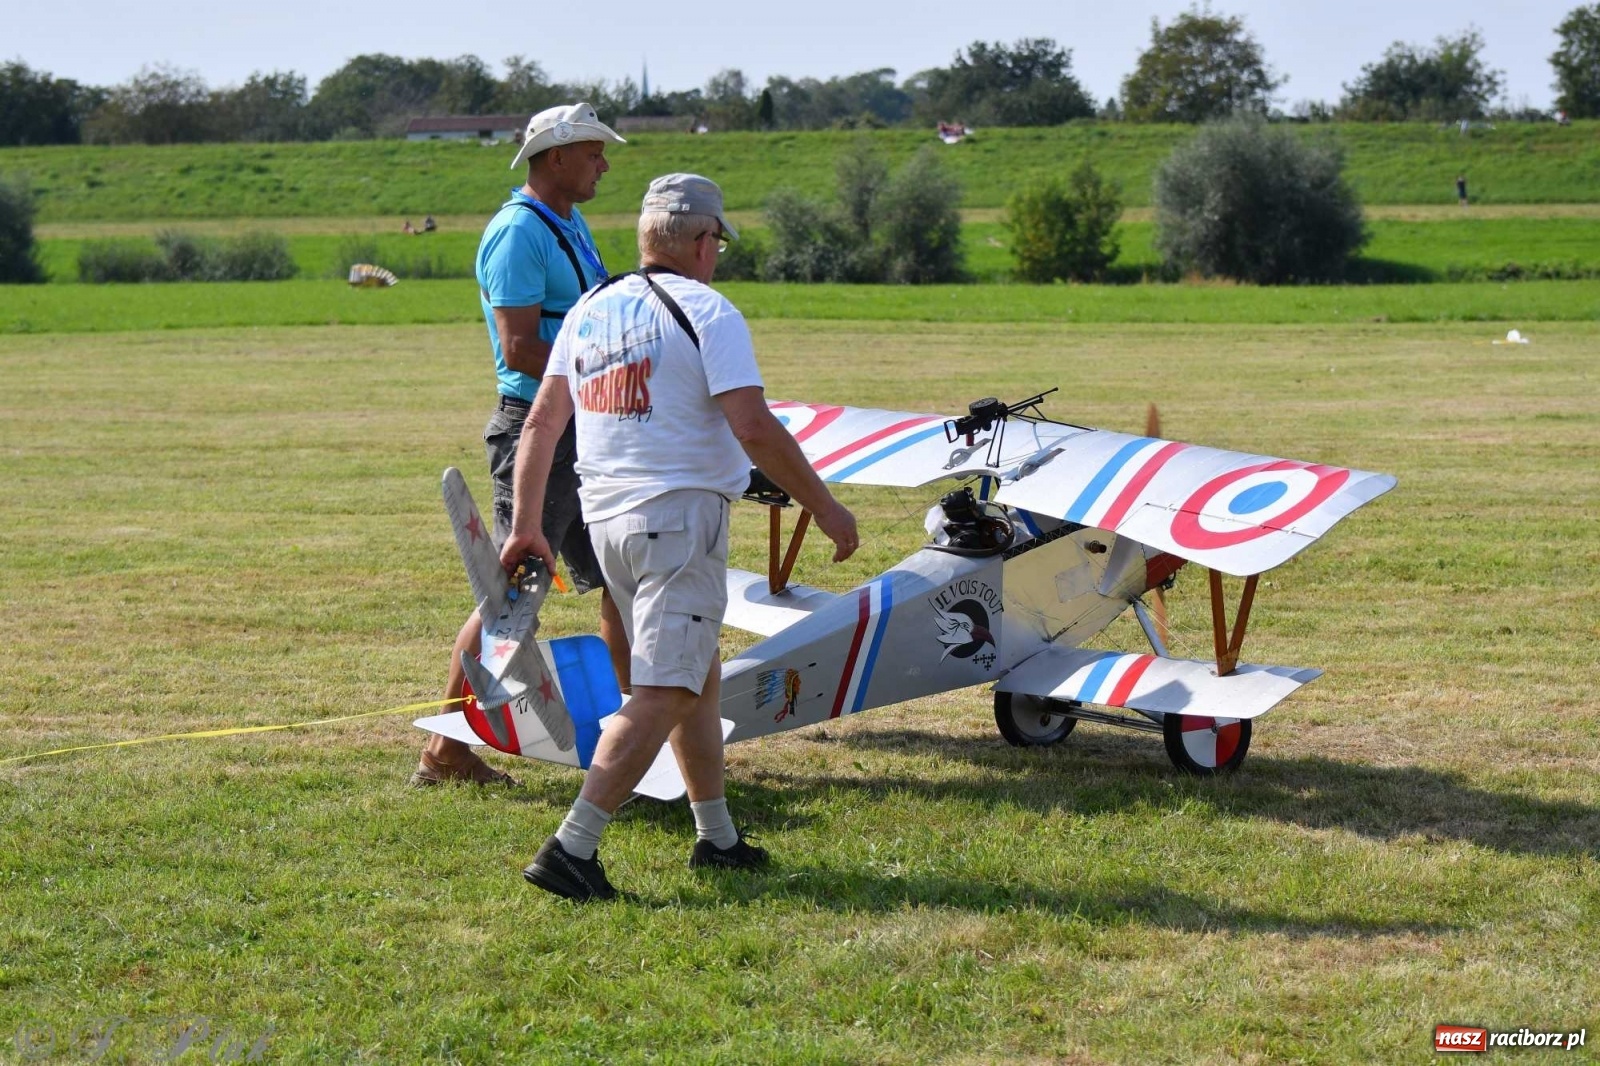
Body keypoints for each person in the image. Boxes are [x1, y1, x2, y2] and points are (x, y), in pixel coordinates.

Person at [502, 173, 859, 900]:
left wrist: (527, 526)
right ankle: (573, 847)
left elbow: (540, 423)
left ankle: (717, 837)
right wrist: (824, 507)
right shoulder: (708, 310)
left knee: (696, 677)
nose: (716, 255)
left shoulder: (591, 307)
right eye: (717, 243)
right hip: (678, 522)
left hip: (608, 526)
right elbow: (753, 425)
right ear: (702, 241)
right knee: (664, 690)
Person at [412, 102, 632, 786]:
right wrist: (613, 374)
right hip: (538, 429)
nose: (604, 165)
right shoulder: (518, 233)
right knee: (512, 596)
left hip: (584, 426)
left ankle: (635, 735)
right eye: (594, 153)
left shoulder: (569, 222)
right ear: (556, 157)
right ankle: (445, 752)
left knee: (623, 580)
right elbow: (519, 347)